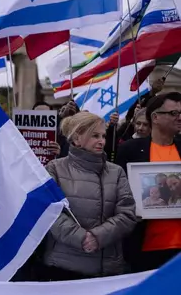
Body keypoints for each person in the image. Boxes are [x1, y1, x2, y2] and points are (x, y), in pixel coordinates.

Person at [39, 112, 136, 280]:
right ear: (77, 138)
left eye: (103, 136)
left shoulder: (116, 171)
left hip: (107, 269)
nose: (102, 141)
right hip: (63, 267)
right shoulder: (55, 168)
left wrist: (98, 237)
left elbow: (127, 214)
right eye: (95, 136)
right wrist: (81, 238)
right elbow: (48, 211)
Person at [116, 92, 181, 271]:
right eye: (174, 113)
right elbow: (119, 192)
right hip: (144, 247)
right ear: (155, 117)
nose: (179, 118)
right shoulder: (131, 150)